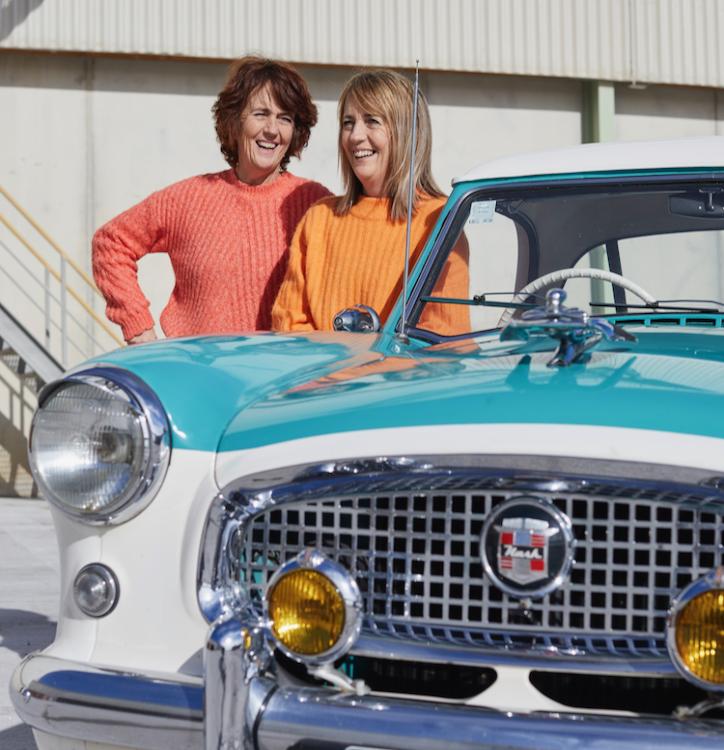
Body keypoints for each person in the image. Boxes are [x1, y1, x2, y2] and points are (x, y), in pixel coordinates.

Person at [93, 56, 331, 344]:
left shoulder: (314, 204)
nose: (272, 129)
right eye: (260, 114)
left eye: (285, 118)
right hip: (199, 375)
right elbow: (110, 243)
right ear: (234, 120)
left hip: (281, 378)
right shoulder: (188, 199)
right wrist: (139, 329)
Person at [271, 69, 468, 334]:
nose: (355, 136)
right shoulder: (320, 218)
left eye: (372, 121)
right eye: (348, 122)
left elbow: (441, 335)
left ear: (406, 133)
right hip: (321, 376)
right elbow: (288, 323)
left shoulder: (439, 220)